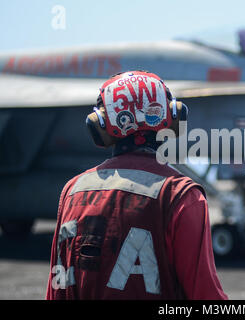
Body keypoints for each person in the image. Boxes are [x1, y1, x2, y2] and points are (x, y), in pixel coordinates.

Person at [46, 70, 227, 300]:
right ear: (171, 117)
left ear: (100, 123)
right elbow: (204, 294)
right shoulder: (181, 195)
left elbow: (55, 292)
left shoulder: (72, 191)